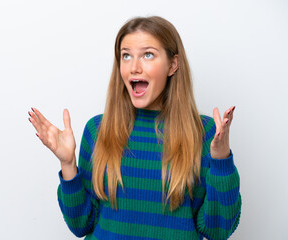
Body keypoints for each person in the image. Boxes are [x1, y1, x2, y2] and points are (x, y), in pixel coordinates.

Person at [28, 16, 241, 240]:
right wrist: (68, 163)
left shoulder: (204, 133)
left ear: (172, 64)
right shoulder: (98, 130)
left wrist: (221, 161)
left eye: (148, 55)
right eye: (126, 56)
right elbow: (81, 224)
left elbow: (219, 230)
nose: (134, 67)